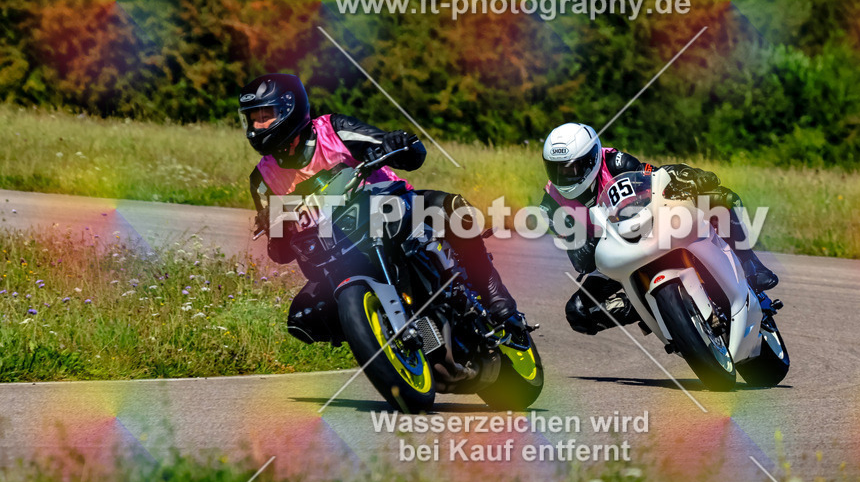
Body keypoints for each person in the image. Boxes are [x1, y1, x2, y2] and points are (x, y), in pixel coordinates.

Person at [239, 73, 519, 347]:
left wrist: (396, 143)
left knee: (455, 211)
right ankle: (380, 335)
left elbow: (411, 153)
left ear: (291, 108)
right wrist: (277, 227)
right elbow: (281, 254)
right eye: (254, 119)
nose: (259, 126)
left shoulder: (333, 130)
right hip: (336, 253)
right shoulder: (262, 180)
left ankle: (493, 292)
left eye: (266, 116)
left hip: (392, 212)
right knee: (302, 318)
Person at [539, 122, 778, 335]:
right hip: (613, 254)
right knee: (578, 312)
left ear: (591, 159)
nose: (564, 176)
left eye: (571, 168)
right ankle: (644, 307)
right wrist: (581, 245)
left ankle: (750, 262)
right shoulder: (550, 203)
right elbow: (582, 263)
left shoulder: (615, 162)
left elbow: (653, 177)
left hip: (650, 225)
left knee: (716, 199)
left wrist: (682, 175)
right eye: (556, 168)